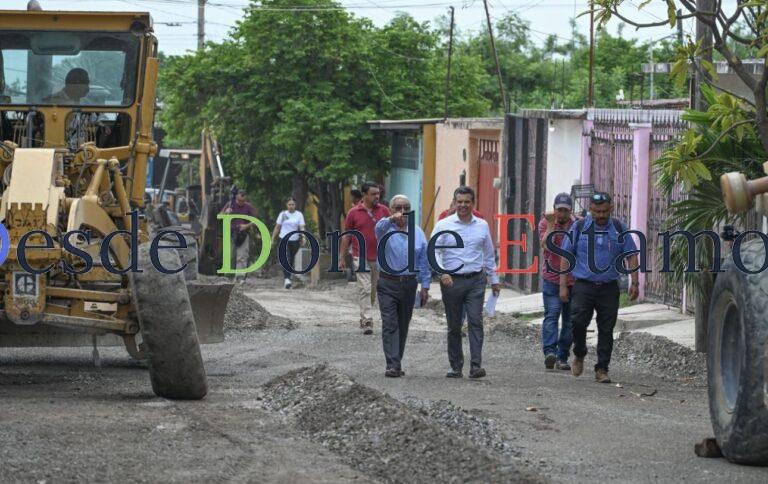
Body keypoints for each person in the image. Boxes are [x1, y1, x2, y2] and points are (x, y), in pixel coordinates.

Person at [559, 192, 639, 384]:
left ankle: (602, 368)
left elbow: (631, 255)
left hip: (609, 287)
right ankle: (579, 353)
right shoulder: (579, 227)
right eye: (597, 211)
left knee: (606, 328)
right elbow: (565, 256)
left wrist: (634, 282)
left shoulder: (619, 228)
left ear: (611, 208)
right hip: (583, 285)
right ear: (591, 210)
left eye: (604, 211)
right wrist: (562, 285)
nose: (601, 215)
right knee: (577, 322)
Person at [431, 186, 499, 379]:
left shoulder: (482, 225)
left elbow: (488, 254)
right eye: (459, 202)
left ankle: (476, 366)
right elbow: (434, 251)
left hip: (476, 281)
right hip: (451, 282)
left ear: (472, 203)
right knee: (454, 325)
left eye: (466, 202)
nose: (463, 205)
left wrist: (494, 280)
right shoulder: (444, 225)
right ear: (454, 202)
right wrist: (442, 272)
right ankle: (456, 366)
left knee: (476, 321)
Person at [375, 194, 430, 378]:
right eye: (397, 208)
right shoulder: (385, 229)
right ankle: (392, 364)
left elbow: (423, 260)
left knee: (403, 324)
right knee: (390, 324)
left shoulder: (418, 232)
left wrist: (425, 286)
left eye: (406, 207)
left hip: (408, 284)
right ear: (390, 210)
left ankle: (396, 360)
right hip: (387, 283)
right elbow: (378, 226)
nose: (402, 211)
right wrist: (391, 219)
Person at [340, 181, 390, 334]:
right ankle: (367, 319)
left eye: (378, 194)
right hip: (359, 255)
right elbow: (347, 235)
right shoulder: (353, 213)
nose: (377, 196)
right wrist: (341, 256)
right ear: (364, 195)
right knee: (365, 288)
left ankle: (365, 313)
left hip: (379, 257)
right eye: (373, 194)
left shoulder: (384, 211)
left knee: (373, 289)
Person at [538, 193, 576, 371]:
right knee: (552, 315)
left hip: (573, 280)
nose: (561, 214)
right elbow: (546, 245)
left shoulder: (577, 225)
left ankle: (563, 357)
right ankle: (549, 353)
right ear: (554, 210)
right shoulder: (545, 223)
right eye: (558, 210)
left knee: (569, 321)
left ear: (570, 211)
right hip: (552, 278)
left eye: (565, 210)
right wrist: (552, 224)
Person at [221, 189, 258, 283]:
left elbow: (255, 220)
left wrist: (246, 226)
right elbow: (220, 215)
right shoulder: (230, 204)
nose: (241, 203)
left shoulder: (248, 207)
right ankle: (229, 276)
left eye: (243, 201)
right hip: (232, 232)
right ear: (236, 198)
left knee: (242, 256)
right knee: (231, 255)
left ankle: (240, 277)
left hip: (244, 234)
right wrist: (226, 212)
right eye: (239, 201)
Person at [271, 197, 306, 289]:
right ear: (287, 205)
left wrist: (303, 237)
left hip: (295, 240)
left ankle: (288, 278)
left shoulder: (299, 215)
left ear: (295, 205)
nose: (291, 206)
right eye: (289, 204)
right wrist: (273, 238)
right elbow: (277, 227)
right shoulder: (283, 214)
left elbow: (301, 227)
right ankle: (287, 279)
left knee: (291, 260)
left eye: (292, 204)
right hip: (283, 238)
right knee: (286, 258)